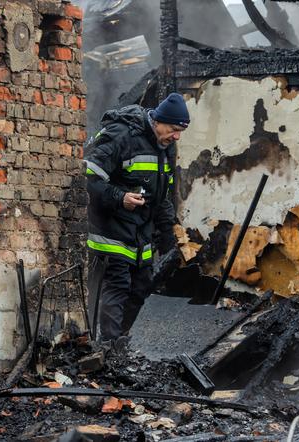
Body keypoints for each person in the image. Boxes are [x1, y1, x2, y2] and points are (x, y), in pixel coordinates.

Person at [84, 93, 190, 349]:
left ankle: (119, 341)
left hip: (140, 233)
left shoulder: (165, 148)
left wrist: (169, 234)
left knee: (141, 287)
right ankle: (108, 346)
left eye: (180, 132)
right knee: (118, 285)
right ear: (158, 121)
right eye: (173, 129)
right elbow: (87, 179)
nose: (176, 136)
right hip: (111, 230)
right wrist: (120, 197)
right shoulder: (121, 136)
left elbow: (162, 195)